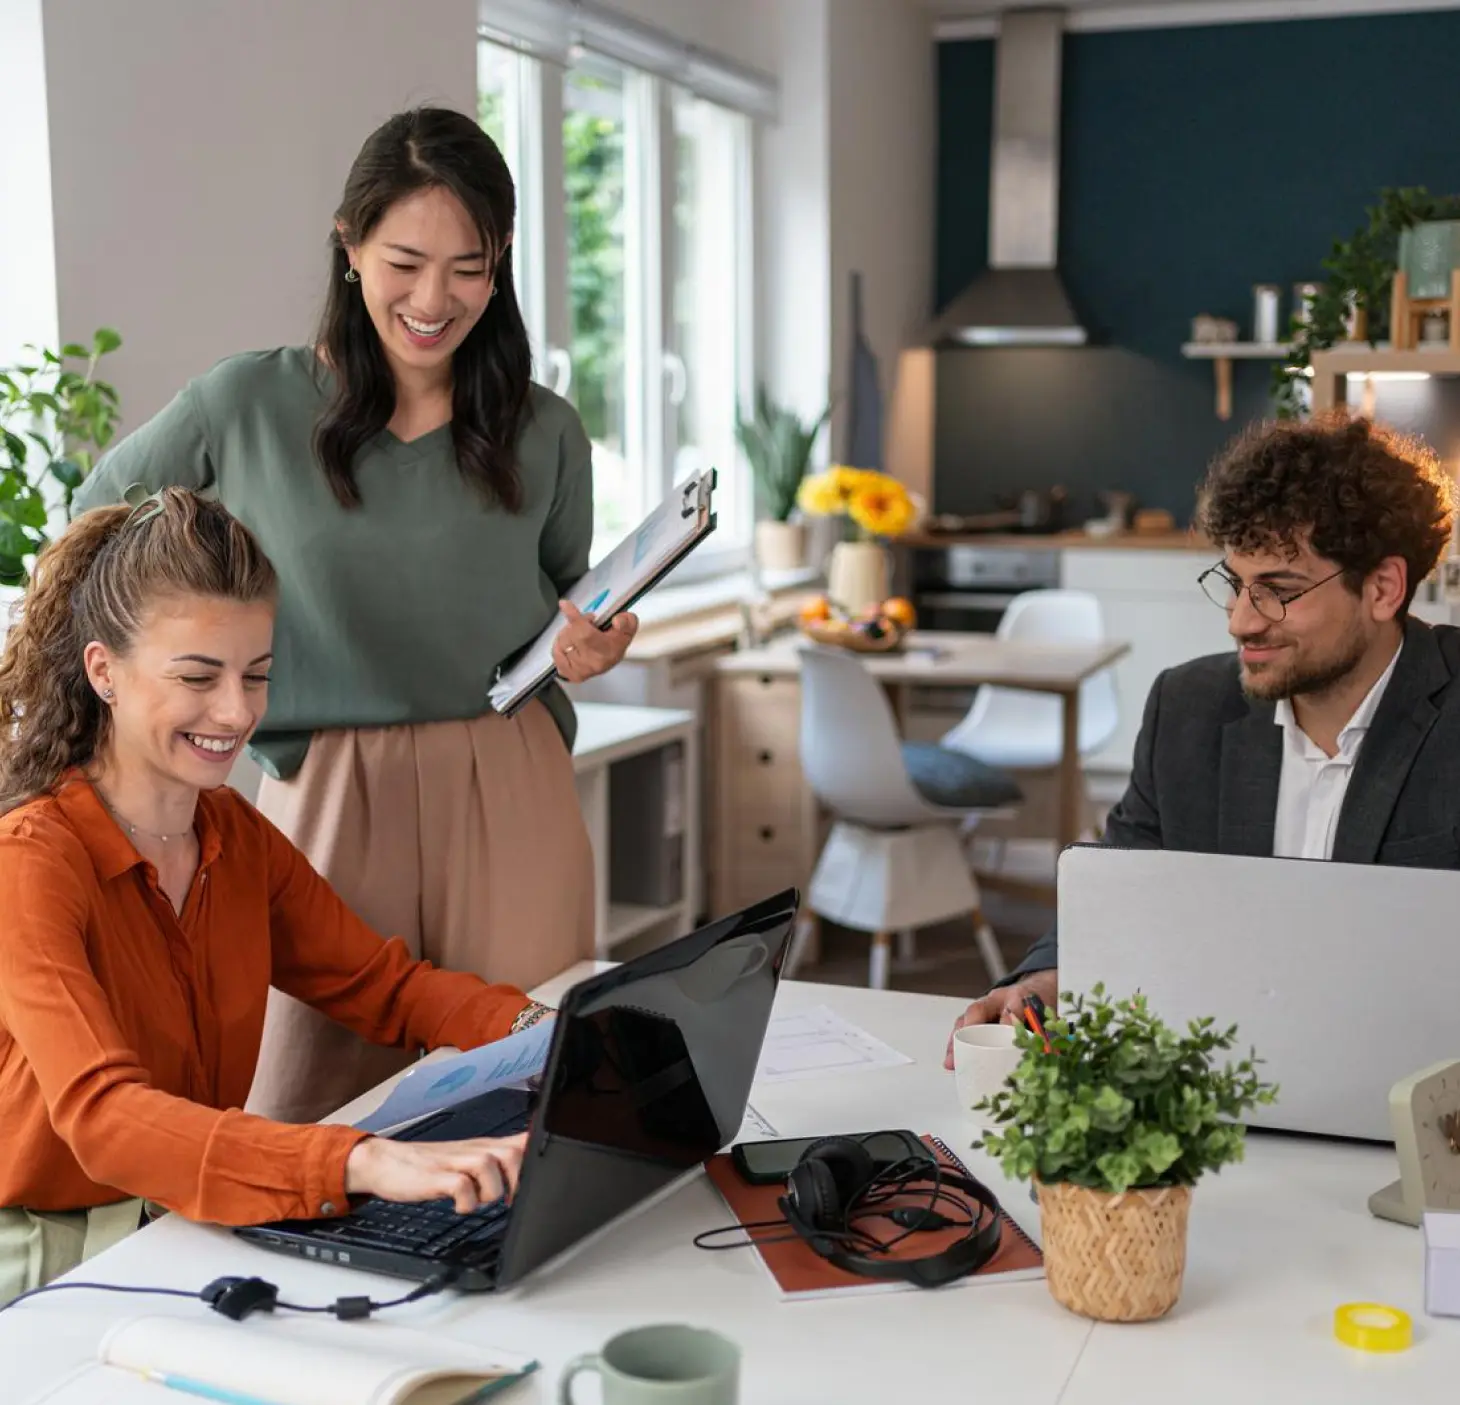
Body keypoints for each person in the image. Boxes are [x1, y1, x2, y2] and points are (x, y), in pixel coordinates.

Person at [73, 107, 633, 1123]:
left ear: (499, 262)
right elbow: (94, 528)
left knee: (530, 1090)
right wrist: (197, 664)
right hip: (323, 787)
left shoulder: (543, 428)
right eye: (404, 261)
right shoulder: (243, 403)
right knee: (305, 1103)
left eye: (467, 266)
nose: (433, 299)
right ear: (350, 247)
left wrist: (587, 647)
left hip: (508, 775)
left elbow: (564, 597)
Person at [0, 489, 553, 1304]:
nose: (236, 712)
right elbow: (104, 1114)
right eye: (198, 676)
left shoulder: (232, 835)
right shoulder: (32, 860)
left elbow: (385, 987)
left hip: (185, 1212)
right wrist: (357, 1158)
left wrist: (551, 1036)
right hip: (45, 1251)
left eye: (255, 675)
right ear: (103, 671)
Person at [946, 412, 1460, 1063]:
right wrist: (1047, 977)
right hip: (1227, 1091)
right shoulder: (1188, 708)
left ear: (1383, 587)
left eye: (1279, 590)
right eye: (1235, 583)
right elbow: (1122, 884)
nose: (1241, 621)